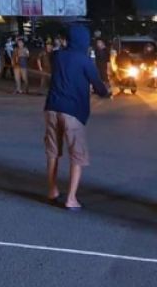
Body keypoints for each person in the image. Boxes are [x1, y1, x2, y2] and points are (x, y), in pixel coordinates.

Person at [44, 23, 111, 210]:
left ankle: (52, 190)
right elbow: (98, 85)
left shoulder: (57, 57)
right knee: (77, 155)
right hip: (72, 111)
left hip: (51, 108)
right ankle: (71, 198)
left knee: (52, 152)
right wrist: (106, 92)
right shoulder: (84, 61)